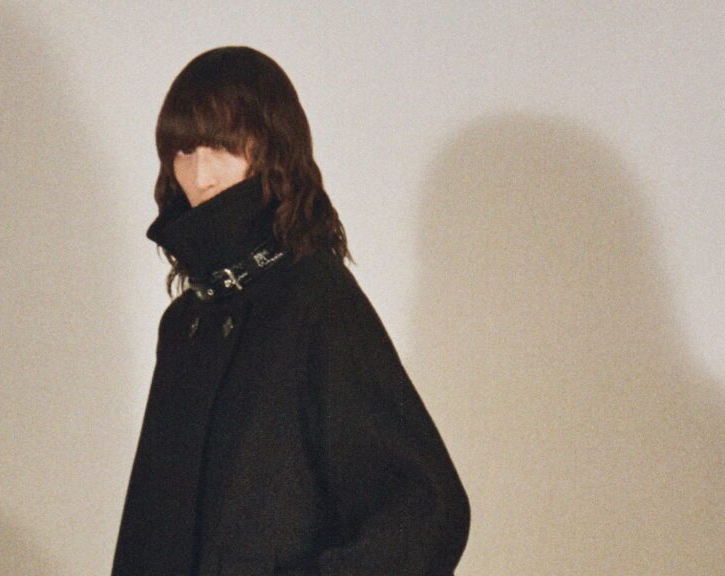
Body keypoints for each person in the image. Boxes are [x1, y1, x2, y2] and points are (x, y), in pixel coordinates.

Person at [112, 46, 470, 576]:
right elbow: (150, 533)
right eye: (183, 151)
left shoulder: (315, 301)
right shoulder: (186, 323)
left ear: (272, 149)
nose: (200, 175)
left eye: (222, 146)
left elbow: (427, 511)